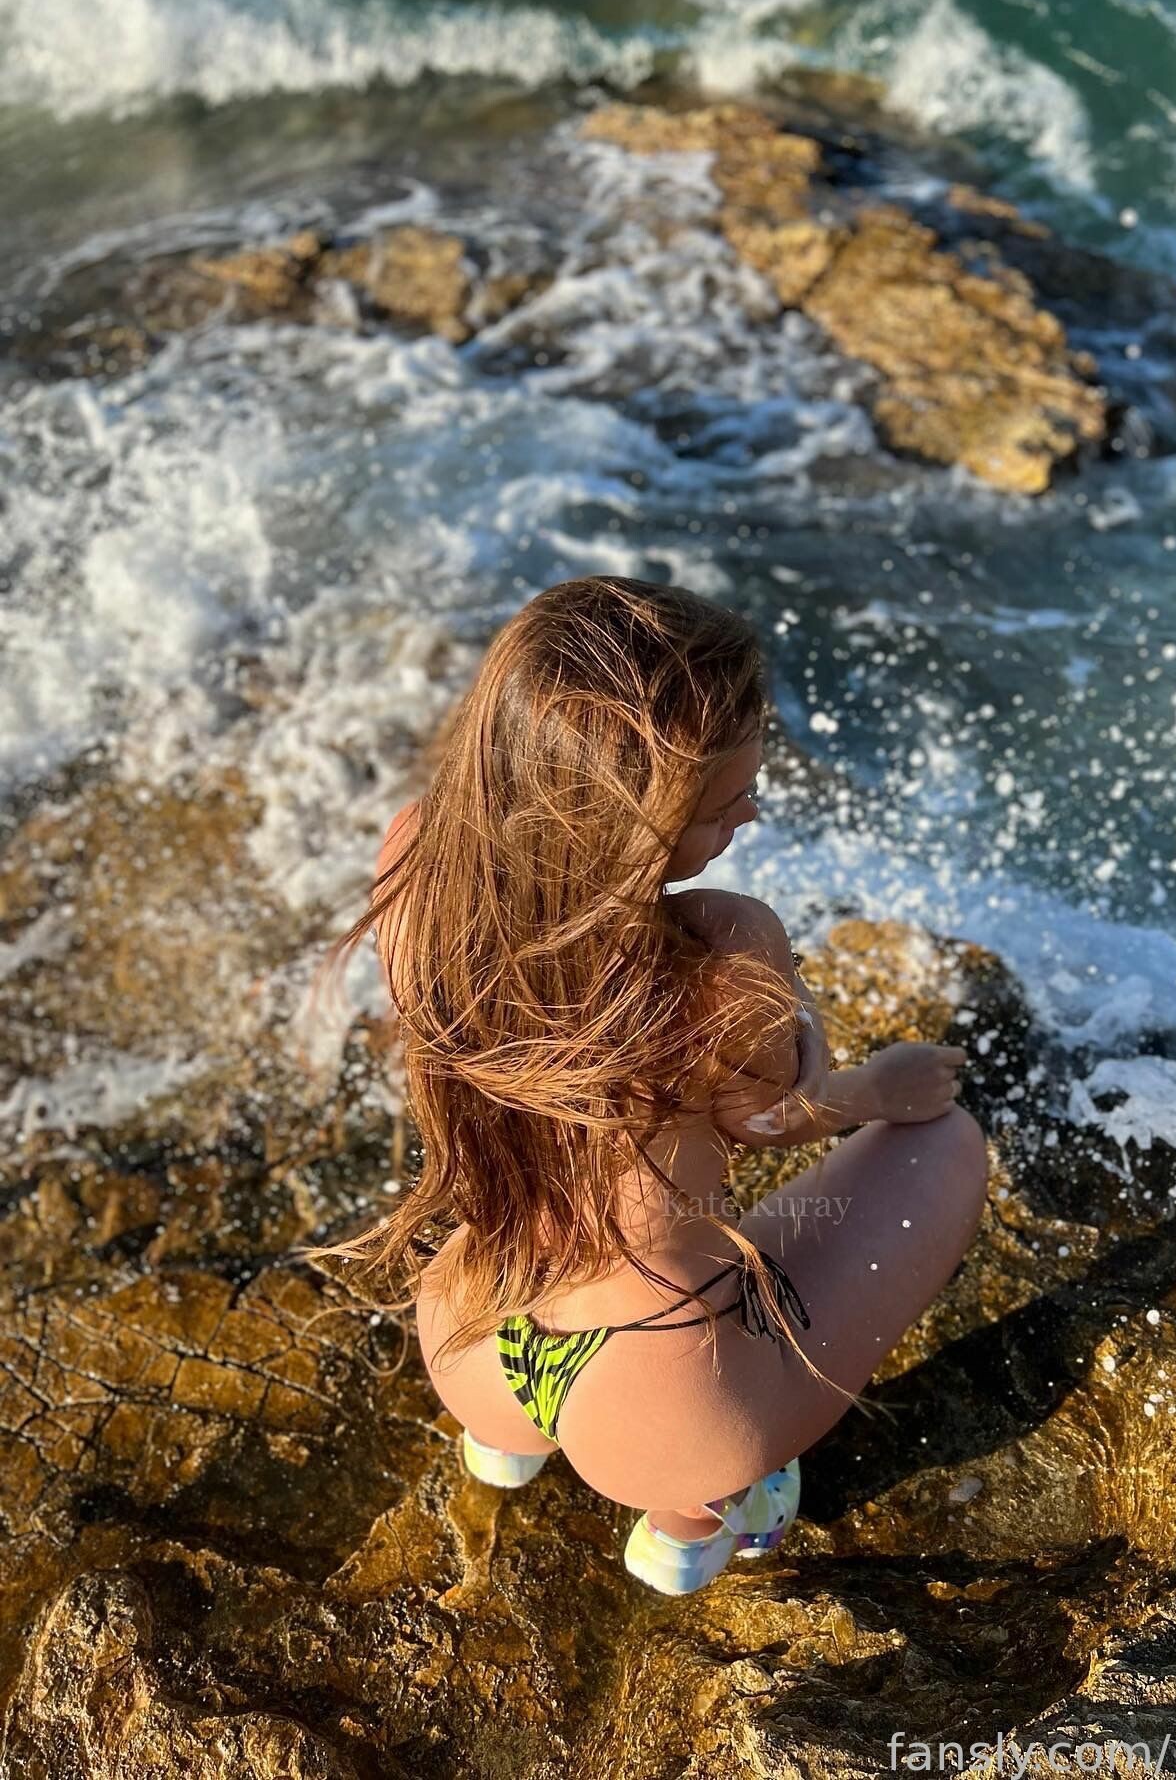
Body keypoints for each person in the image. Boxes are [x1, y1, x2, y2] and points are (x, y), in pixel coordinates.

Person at [318, 575, 988, 1595]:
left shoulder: (417, 863)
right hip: (665, 1385)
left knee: (519, 1355)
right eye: (722, 807)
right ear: (631, 827)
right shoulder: (724, 948)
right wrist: (880, 1089)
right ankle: (692, 1522)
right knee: (948, 1146)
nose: (751, 810)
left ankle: (505, 1448)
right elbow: (775, 1117)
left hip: (472, 1330)